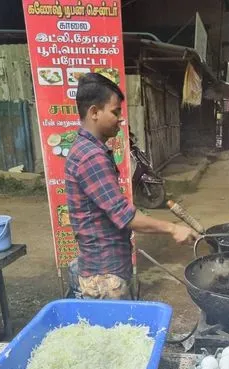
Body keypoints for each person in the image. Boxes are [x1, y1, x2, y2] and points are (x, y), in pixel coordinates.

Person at [65, 73, 196, 300]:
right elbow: (124, 216)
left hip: (107, 266)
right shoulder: (91, 157)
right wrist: (173, 228)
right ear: (94, 112)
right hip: (104, 274)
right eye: (115, 112)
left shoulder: (88, 150)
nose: (120, 119)